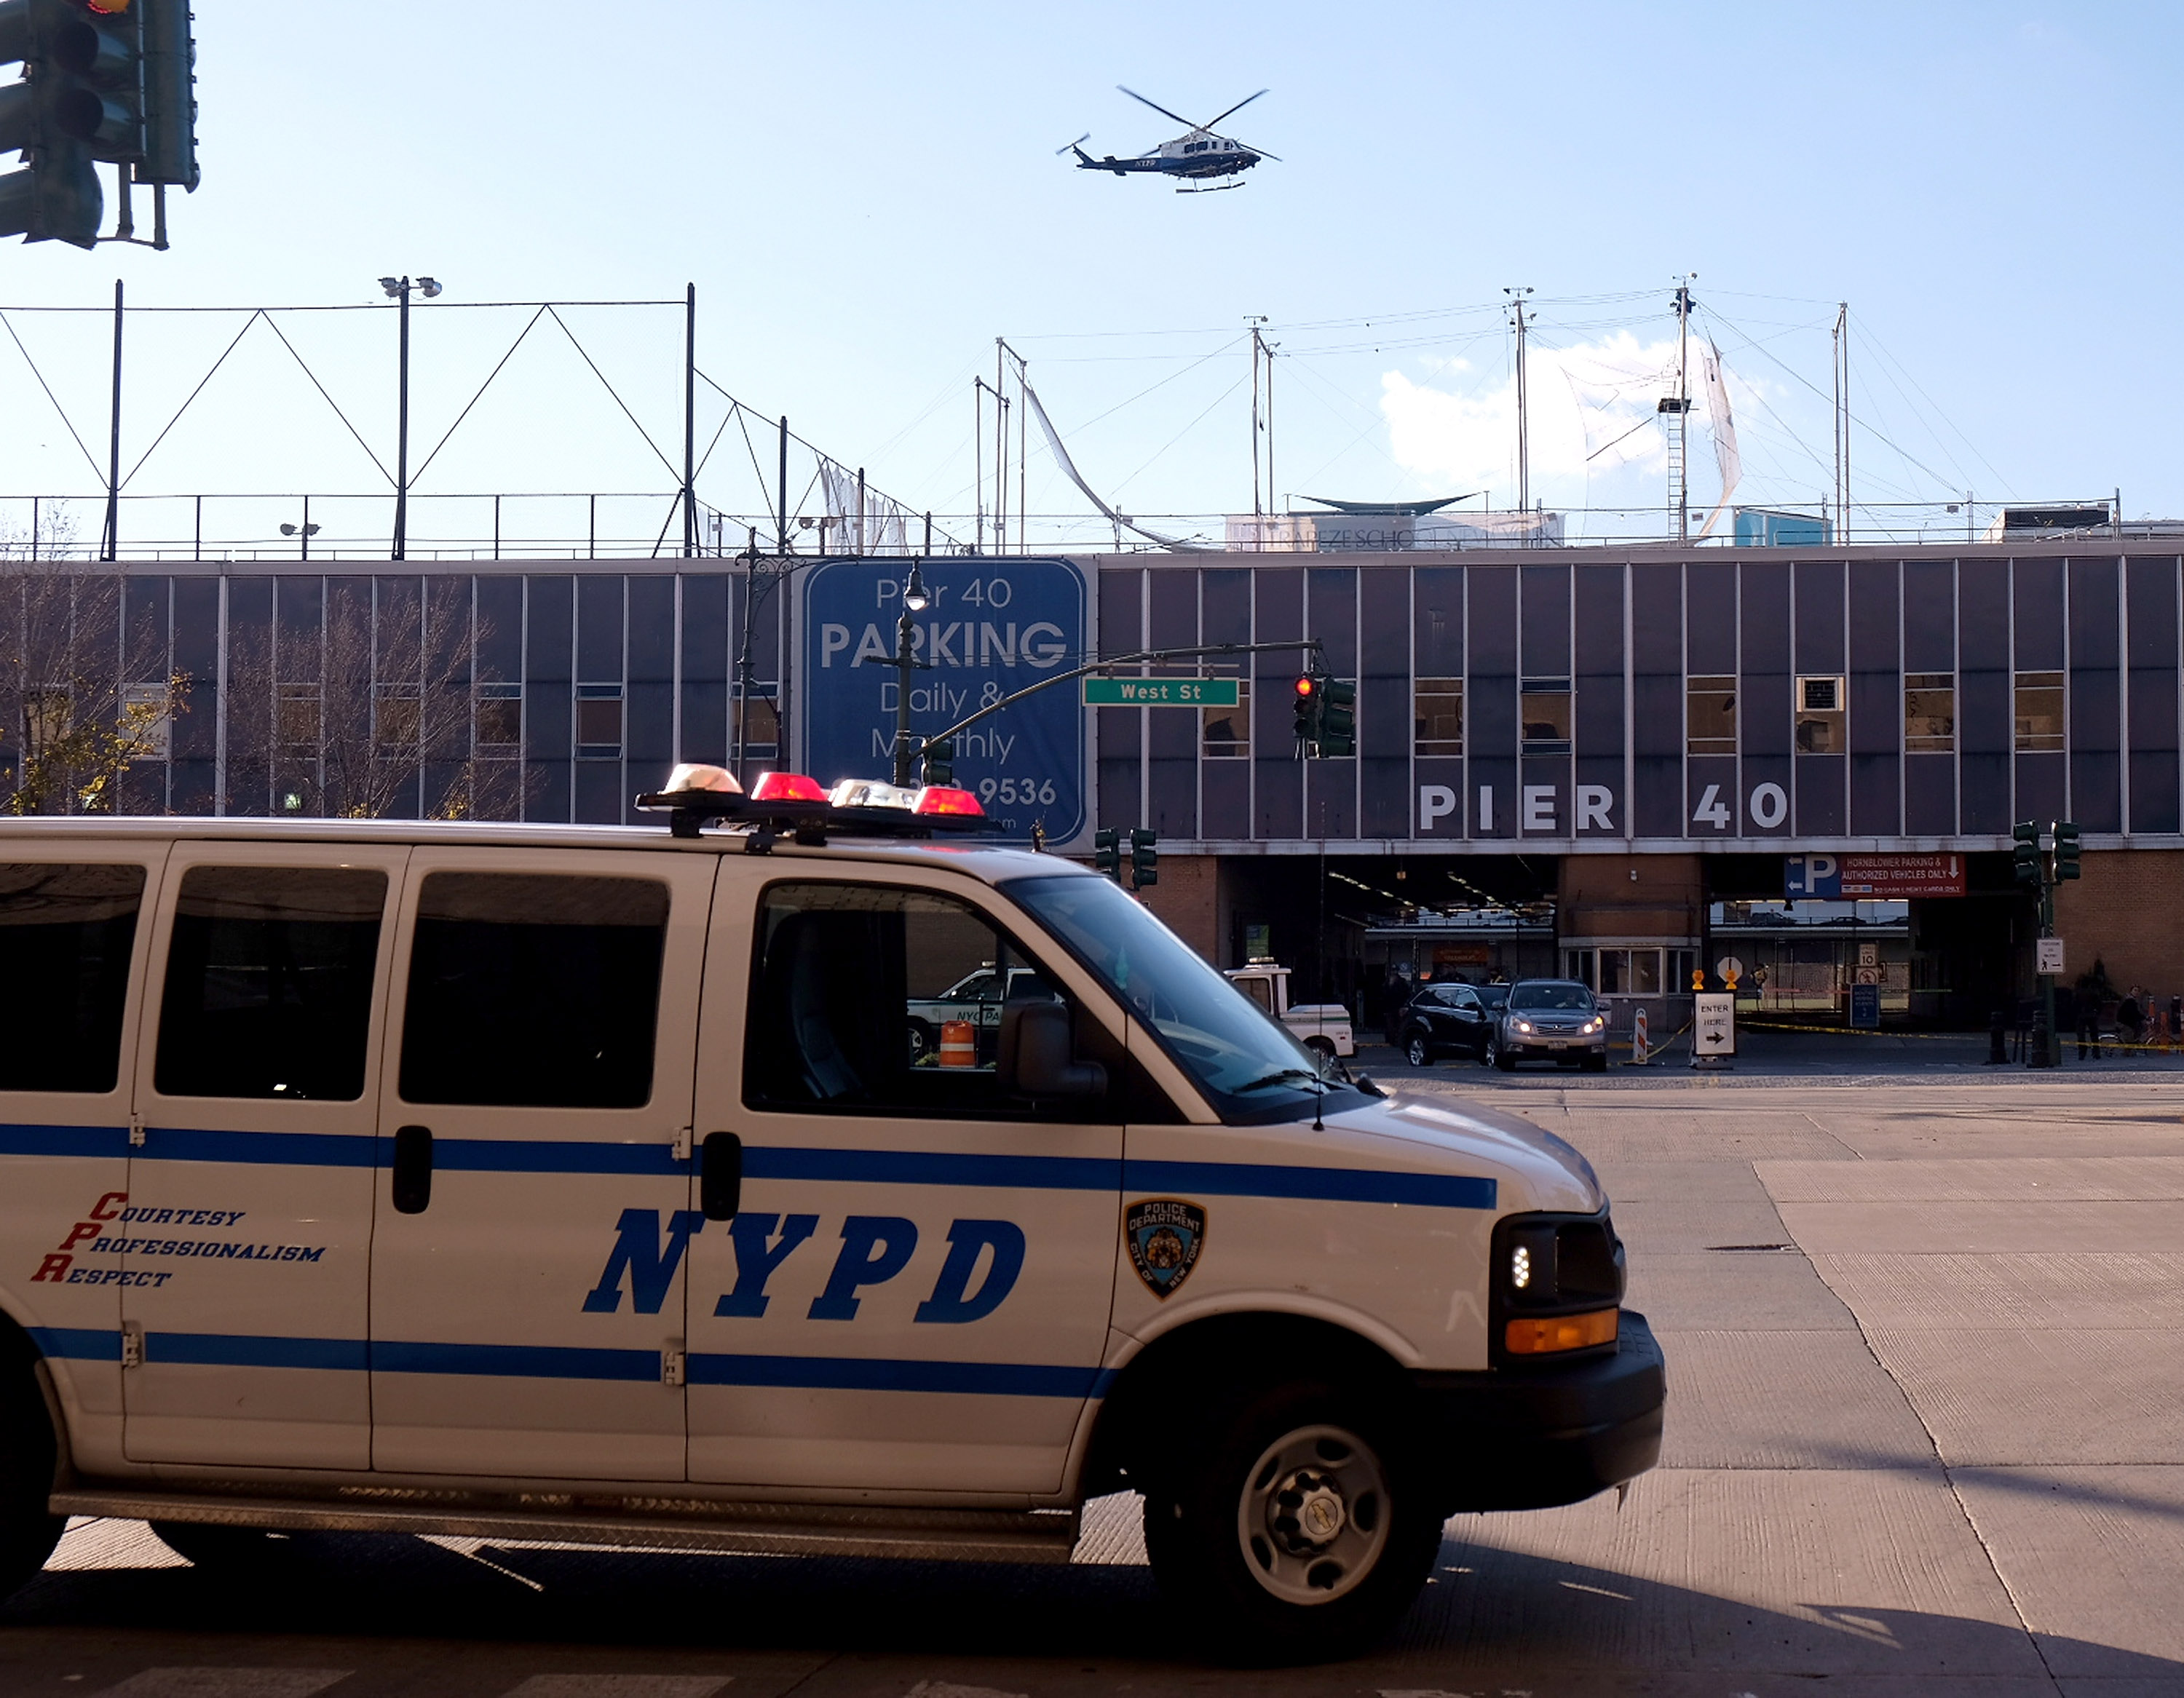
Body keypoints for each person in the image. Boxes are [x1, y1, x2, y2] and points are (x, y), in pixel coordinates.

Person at [2075, 981, 2103, 1060]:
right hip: (2092, 1016)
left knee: (2081, 1035)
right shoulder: (2094, 993)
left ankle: (2082, 1053)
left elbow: (2074, 1005)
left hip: (2081, 1016)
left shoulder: (2078, 993)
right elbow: (2099, 1004)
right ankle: (2096, 1052)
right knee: (2094, 1035)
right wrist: (2097, 1012)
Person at [2118, 985, 2145, 1050]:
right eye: (2135, 990)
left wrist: (2144, 1017)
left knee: (2138, 1031)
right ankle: (2127, 1055)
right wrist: (2144, 1018)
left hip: (2129, 1022)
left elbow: (2137, 1013)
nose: (2136, 992)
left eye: (2138, 991)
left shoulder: (2133, 1000)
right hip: (2125, 1023)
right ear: (2131, 991)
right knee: (2129, 1043)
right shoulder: (2129, 1000)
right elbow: (2134, 1013)